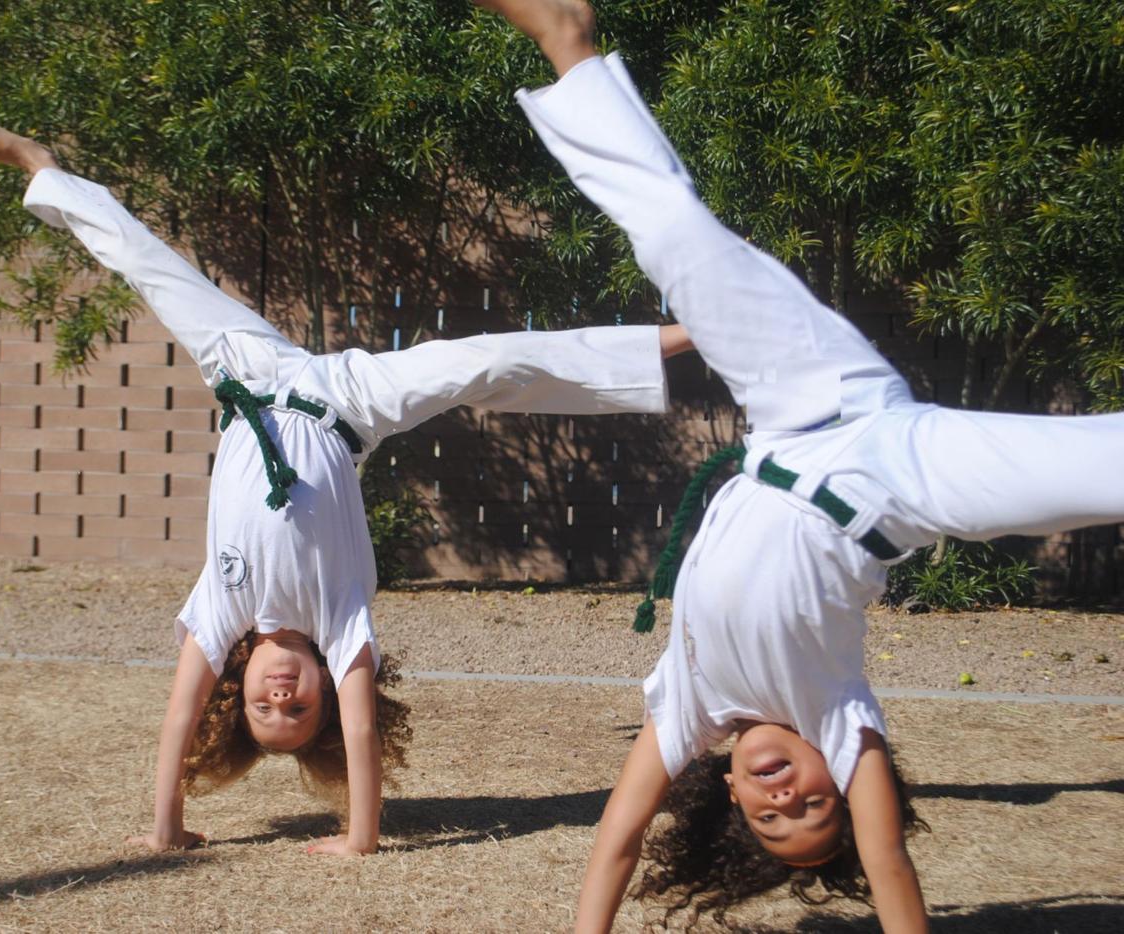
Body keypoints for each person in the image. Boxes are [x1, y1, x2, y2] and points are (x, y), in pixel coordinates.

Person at [475, 1, 1124, 931]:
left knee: (674, 237)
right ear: (852, 786)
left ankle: (565, 36)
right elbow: (887, 860)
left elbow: (617, 838)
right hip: (894, 467)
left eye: (769, 817)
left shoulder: (686, 709)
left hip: (784, 417)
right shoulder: (839, 722)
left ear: (730, 793)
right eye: (812, 808)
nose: (784, 799)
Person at [0, 114, 692, 856]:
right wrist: (360, 838)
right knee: (488, 360)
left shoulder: (221, 610)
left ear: (237, 686)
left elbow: (179, 716)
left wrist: (166, 828)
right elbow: (363, 728)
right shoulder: (341, 623)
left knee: (147, 263)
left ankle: (38, 166)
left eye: (264, 707)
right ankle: (672, 342)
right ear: (325, 692)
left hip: (245, 371)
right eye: (298, 708)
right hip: (347, 403)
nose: (281, 696)